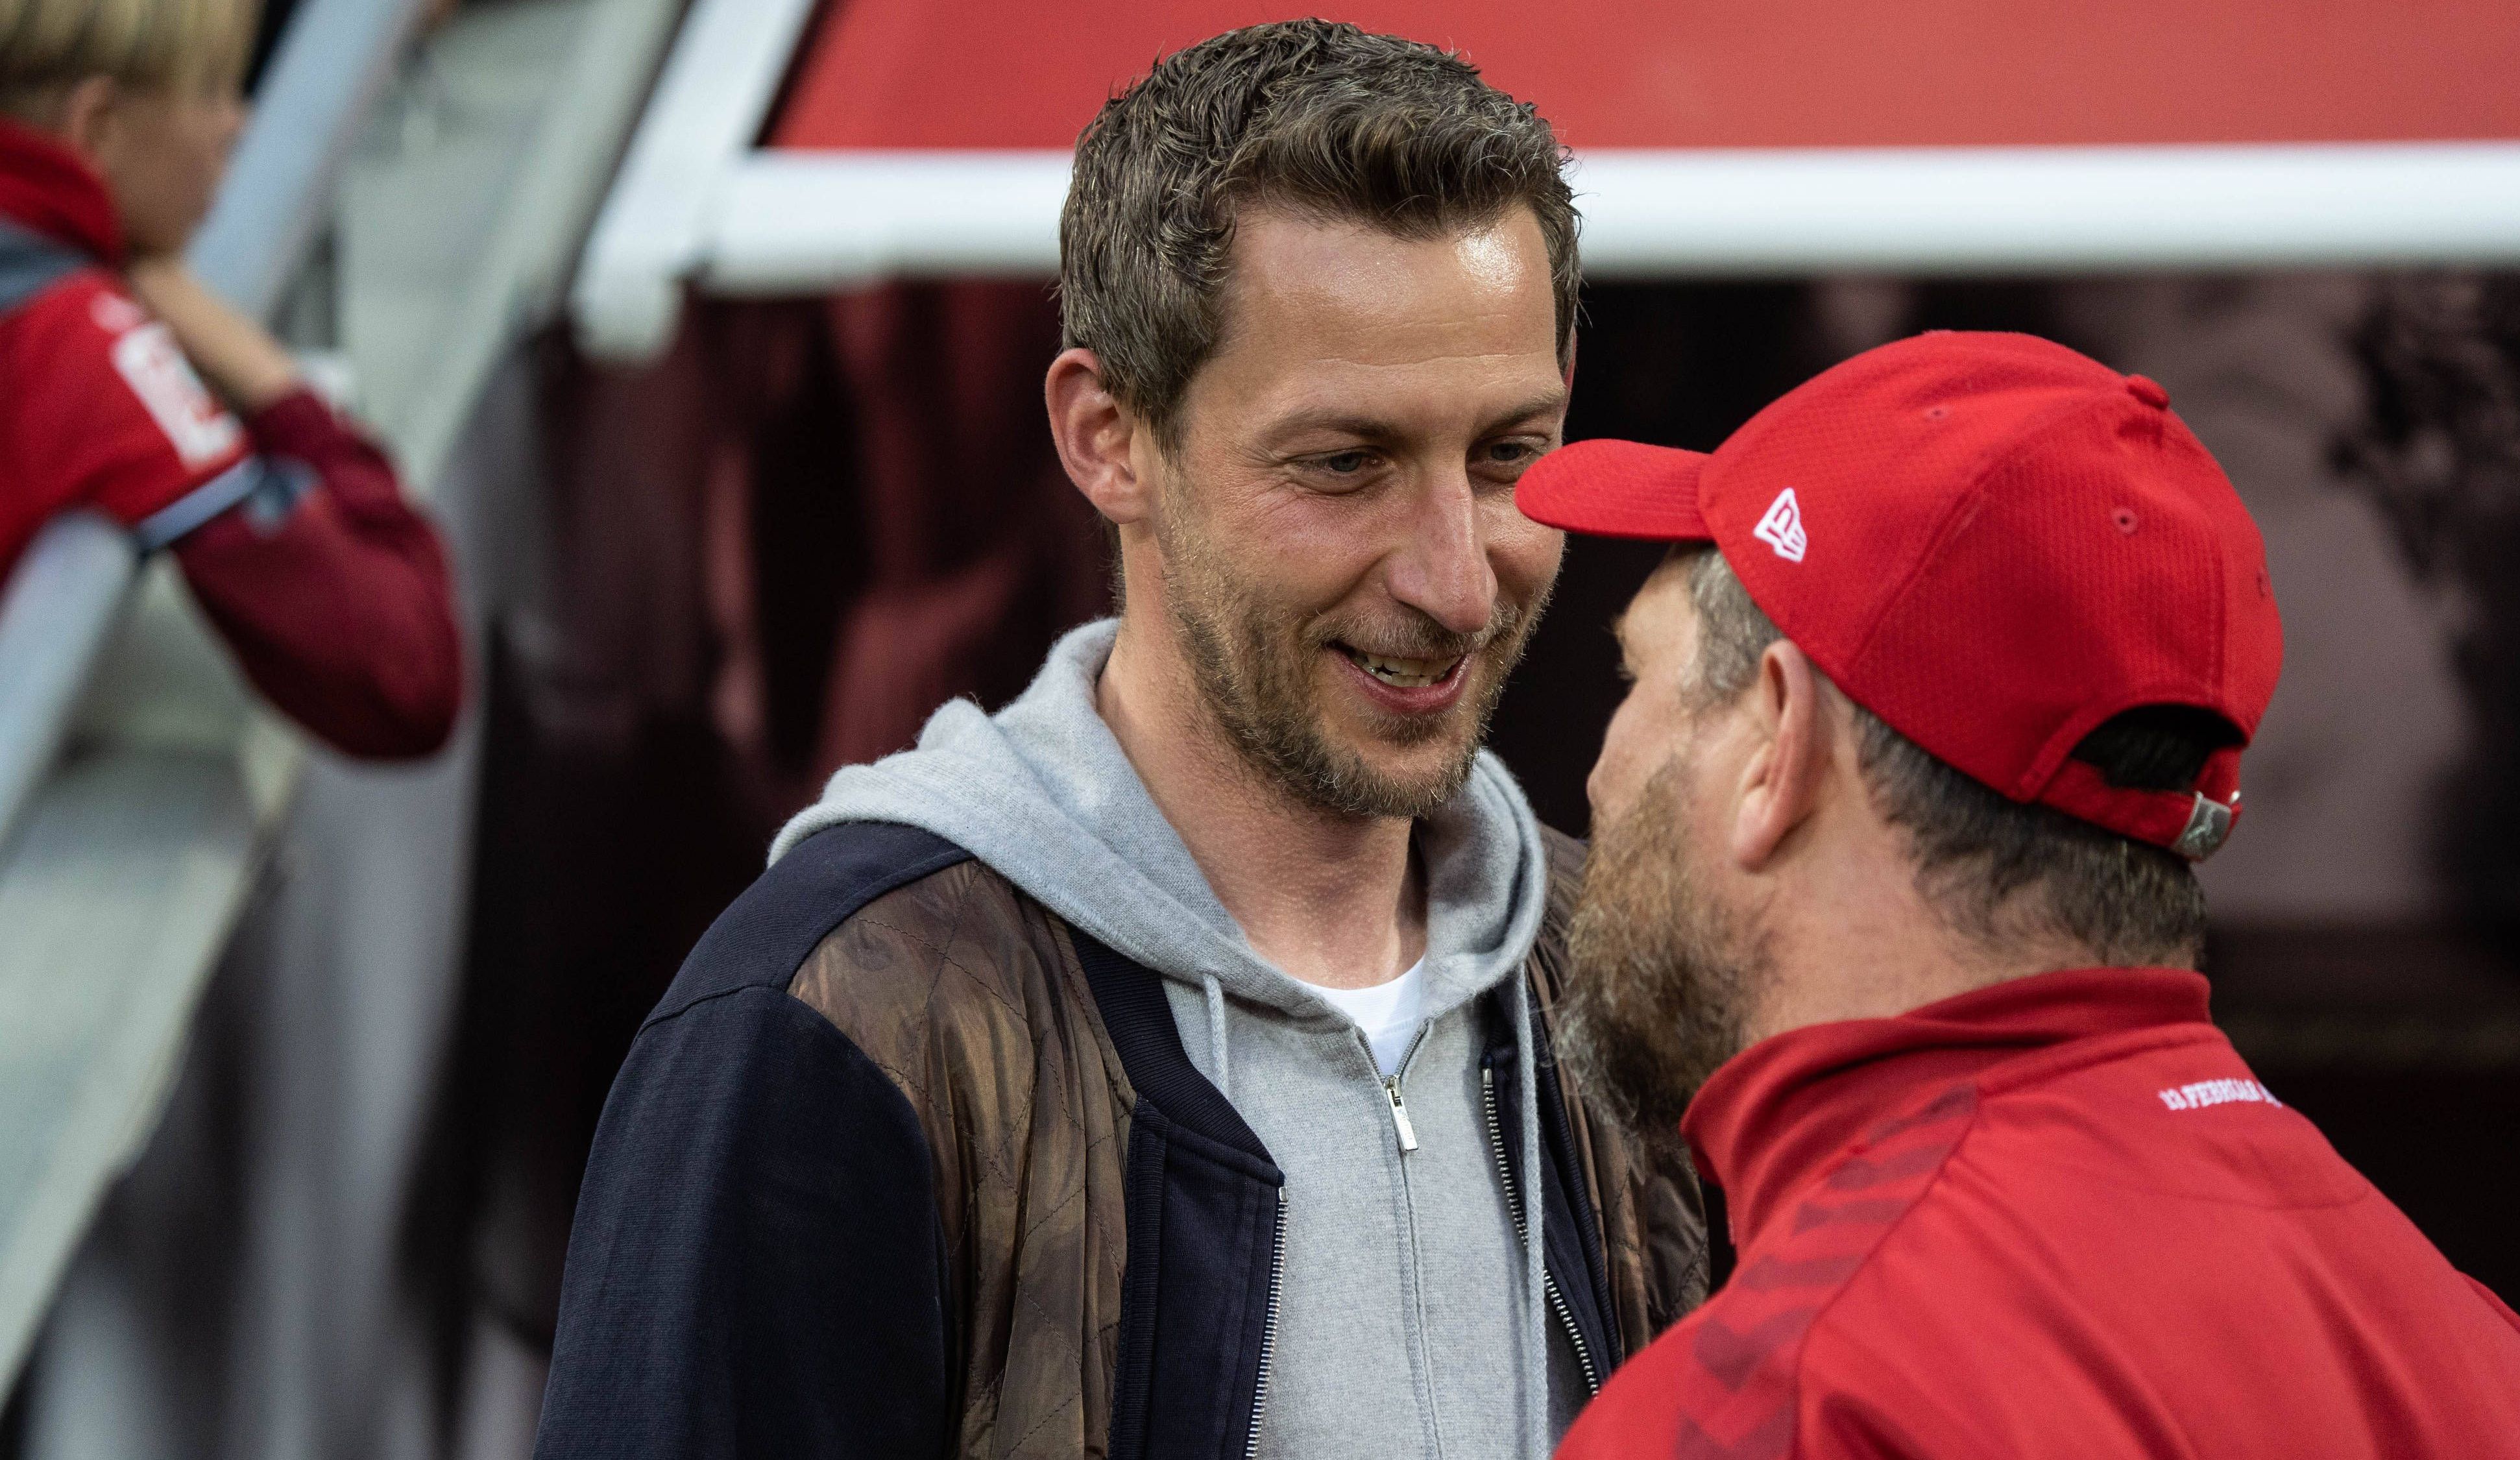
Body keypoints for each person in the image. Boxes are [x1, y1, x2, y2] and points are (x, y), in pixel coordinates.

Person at [535, 21, 1707, 1460]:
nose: (1455, 579)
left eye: (1506, 456)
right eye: (1343, 465)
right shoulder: (834, 1020)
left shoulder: (1626, 981)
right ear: (1106, 437)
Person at [1518, 329, 2520, 1457]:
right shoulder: (2499, 1370)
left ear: (1776, 745)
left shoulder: (1792, 1405)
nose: (1601, 765)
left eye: (1639, 675)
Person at [1, 0, 462, 759]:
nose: (239, 125)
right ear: (98, 129)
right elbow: (406, 672)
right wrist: (267, 378)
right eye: (214, 89)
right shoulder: (71, 339)